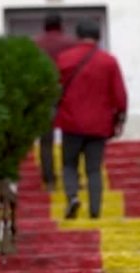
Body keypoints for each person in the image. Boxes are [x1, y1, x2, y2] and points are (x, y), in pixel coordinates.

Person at [54, 19, 127, 219]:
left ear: (78, 36)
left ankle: (72, 197)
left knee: (69, 164)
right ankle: (95, 211)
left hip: (70, 122)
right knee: (94, 169)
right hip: (99, 124)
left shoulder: (64, 59)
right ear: (99, 37)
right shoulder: (109, 61)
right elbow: (119, 95)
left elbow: (53, 89)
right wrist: (120, 118)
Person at [33, 13, 76, 190]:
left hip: (44, 94)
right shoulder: (71, 43)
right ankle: (71, 176)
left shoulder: (35, 44)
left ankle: (49, 180)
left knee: (46, 140)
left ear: (45, 26)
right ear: (61, 25)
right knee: (71, 138)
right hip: (68, 94)